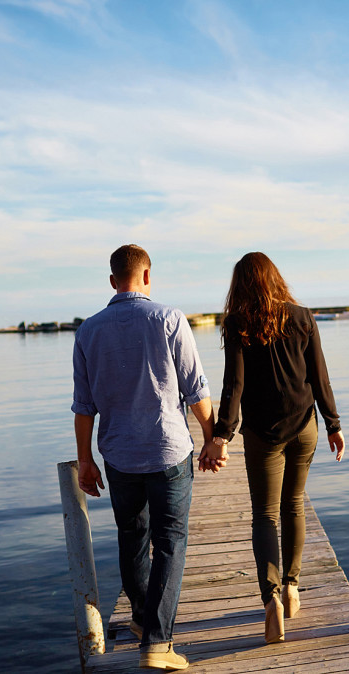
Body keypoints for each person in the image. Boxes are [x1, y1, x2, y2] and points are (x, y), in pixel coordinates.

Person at [72, 244, 221, 671]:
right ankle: (157, 642)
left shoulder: (88, 331)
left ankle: (140, 619)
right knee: (170, 542)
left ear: (113, 280)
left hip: (118, 455)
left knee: (131, 536)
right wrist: (212, 439)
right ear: (148, 276)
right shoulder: (169, 319)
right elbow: (196, 389)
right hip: (167, 450)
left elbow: (84, 406)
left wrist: (85, 461)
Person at [208, 252, 345, 644]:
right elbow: (321, 378)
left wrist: (221, 436)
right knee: (295, 504)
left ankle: (270, 602)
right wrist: (334, 425)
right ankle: (291, 587)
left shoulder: (237, 323)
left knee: (265, 516)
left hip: (262, 435)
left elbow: (233, 386)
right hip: (304, 427)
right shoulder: (302, 317)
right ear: (275, 278)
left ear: (240, 284)